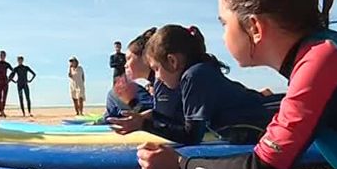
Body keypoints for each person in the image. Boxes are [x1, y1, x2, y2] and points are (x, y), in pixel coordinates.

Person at [137, 0, 337, 169]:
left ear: (254, 28)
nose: (223, 34)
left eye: (225, 23)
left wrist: (180, 167)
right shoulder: (328, 50)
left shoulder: (321, 61)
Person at [110, 24, 282, 145]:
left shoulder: (195, 76)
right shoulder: (194, 75)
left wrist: (143, 124)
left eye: (156, 69)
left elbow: (192, 135)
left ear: (172, 61)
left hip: (275, 114)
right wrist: (143, 118)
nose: (158, 78)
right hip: (266, 119)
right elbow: (174, 118)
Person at [101, 29, 184, 125]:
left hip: (170, 120)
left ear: (145, 58)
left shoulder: (164, 78)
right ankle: (106, 118)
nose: (125, 65)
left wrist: (132, 102)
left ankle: (106, 119)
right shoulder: (156, 81)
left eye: (129, 59)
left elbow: (163, 117)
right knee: (115, 95)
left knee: (115, 93)